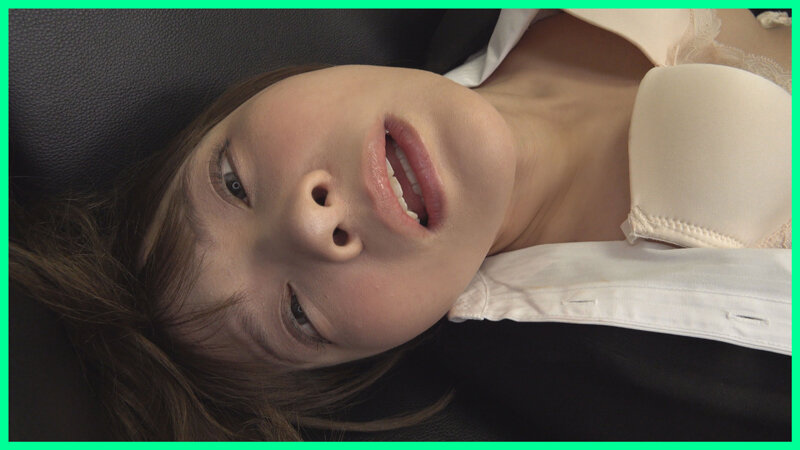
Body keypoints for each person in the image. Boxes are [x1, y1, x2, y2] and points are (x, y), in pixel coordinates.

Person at [10, 9, 791, 440]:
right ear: (375, 351)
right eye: (296, 314)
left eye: (232, 182)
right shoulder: (672, 392)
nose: (311, 223)